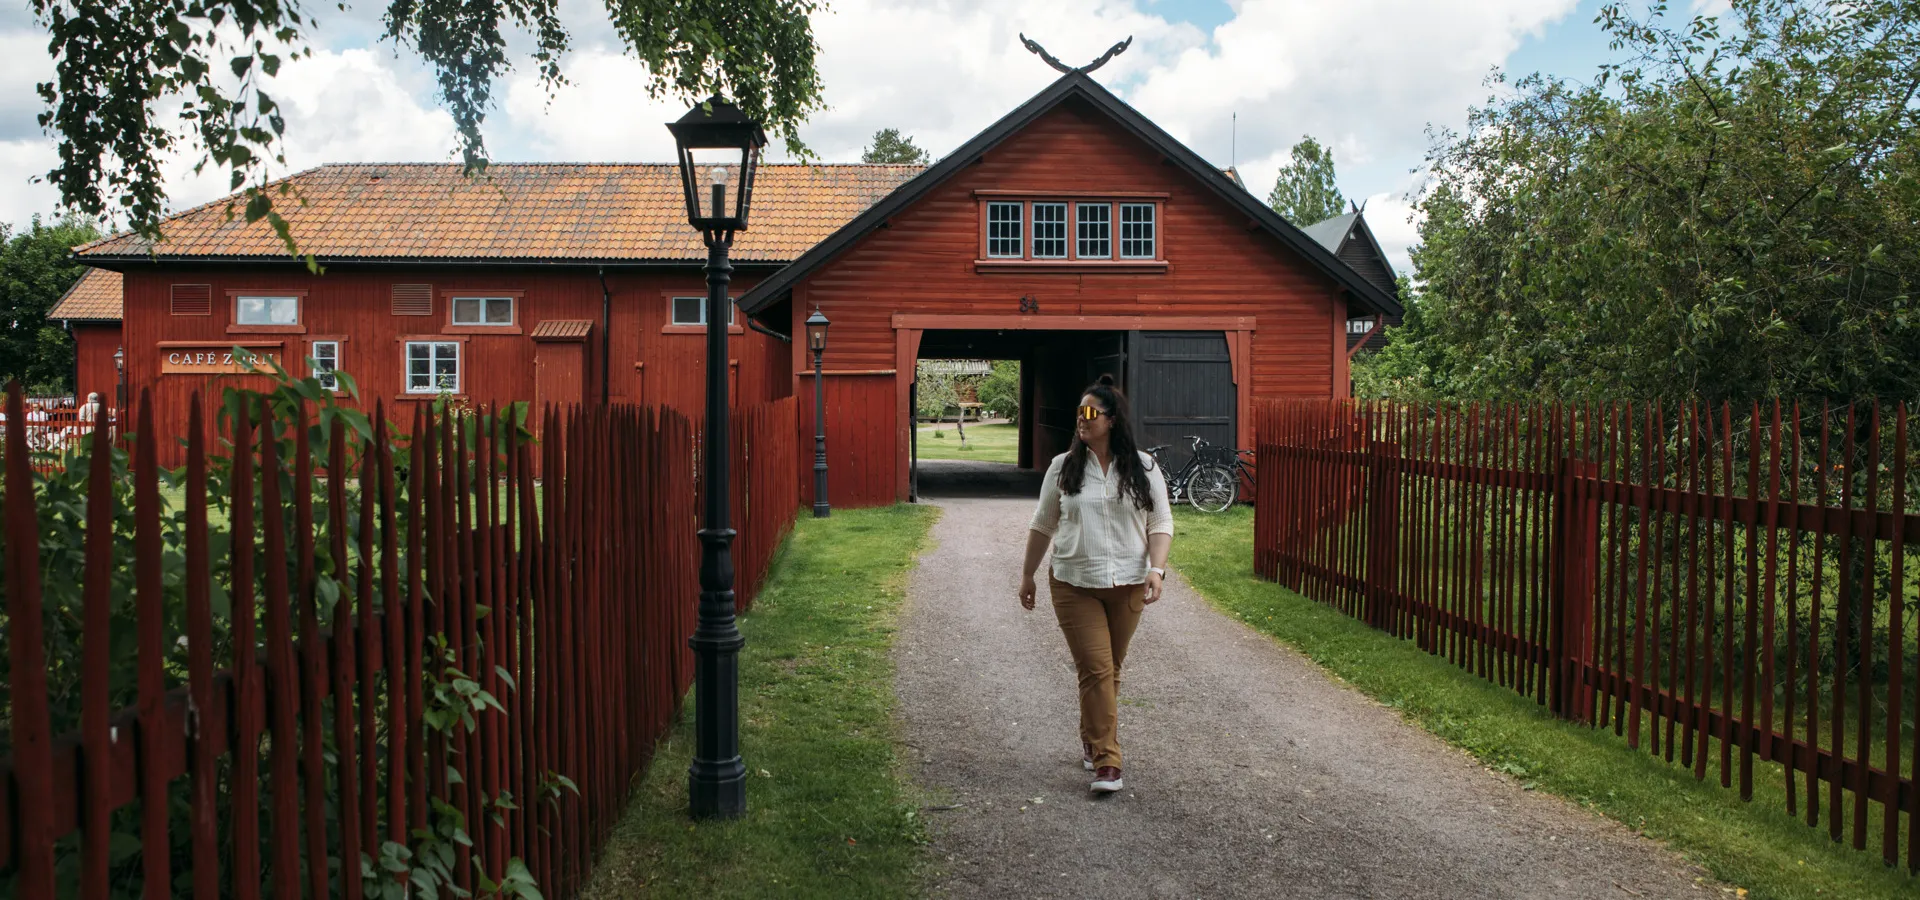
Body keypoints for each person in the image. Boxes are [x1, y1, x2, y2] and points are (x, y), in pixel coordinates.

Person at [1019, 374, 1173, 794]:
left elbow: (1160, 523)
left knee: (1108, 669)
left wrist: (1156, 570)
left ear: (1112, 419)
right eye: (1078, 413)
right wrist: (1028, 574)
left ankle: (1092, 736)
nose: (1081, 420)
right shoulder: (1061, 468)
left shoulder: (1143, 467)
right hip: (1074, 582)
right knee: (1098, 668)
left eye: (1090, 413)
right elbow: (1043, 524)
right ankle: (1108, 761)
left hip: (1127, 582)